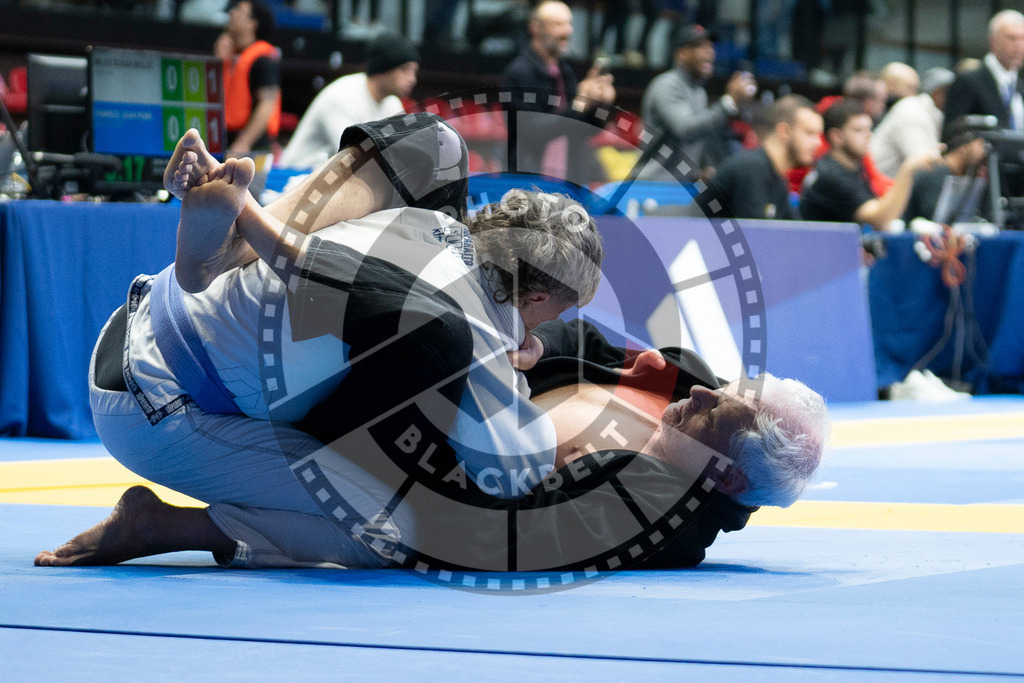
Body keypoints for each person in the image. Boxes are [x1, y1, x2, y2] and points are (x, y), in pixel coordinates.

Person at [33, 126, 829, 572]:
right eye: (720, 390)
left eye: (717, 404)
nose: (701, 392)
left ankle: (233, 241)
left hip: (157, 312)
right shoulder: (462, 343)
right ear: (542, 301)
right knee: (399, 524)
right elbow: (497, 498)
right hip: (153, 401)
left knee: (432, 149)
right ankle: (167, 525)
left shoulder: (441, 231)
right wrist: (242, 215)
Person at [500, 0, 616, 183]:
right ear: (535, 27)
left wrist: (601, 104)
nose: (567, 31)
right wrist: (579, 104)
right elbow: (531, 131)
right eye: (558, 24)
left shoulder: (566, 73)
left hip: (570, 180)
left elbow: (588, 130)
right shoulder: (519, 73)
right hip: (530, 180)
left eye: (569, 23)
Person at [278, 34, 419, 169]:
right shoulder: (343, 96)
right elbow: (354, 158)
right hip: (294, 178)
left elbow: (399, 155)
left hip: (331, 181)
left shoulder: (392, 103)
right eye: (404, 70)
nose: (412, 79)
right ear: (383, 67)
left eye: (414, 72)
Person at [640, 23, 757, 180]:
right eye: (700, 46)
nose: (710, 52)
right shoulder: (667, 84)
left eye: (710, 46)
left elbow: (700, 138)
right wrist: (729, 101)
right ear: (681, 54)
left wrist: (701, 170)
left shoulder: (698, 91)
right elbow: (686, 129)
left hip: (681, 186)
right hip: (654, 184)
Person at [800, 99, 941, 229]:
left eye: (869, 129)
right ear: (836, 136)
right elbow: (879, 218)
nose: (868, 136)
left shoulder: (853, 167)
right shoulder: (831, 174)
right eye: (858, 130)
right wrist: (908, 169)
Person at [701, 95, 823, 220]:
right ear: (784, 131)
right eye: (809, 133)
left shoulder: (778, 180)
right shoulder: (752, 167)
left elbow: (795, 232)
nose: (818, 143)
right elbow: (755, 235)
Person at [944, 9, 1024, 135]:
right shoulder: (969, 81)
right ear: (993, 41)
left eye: (1023, 38)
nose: (1019, 45)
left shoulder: (1019, 85)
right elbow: (952, 133)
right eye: (1012, 38)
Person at [219, 0, 282, 157]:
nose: (232, 13)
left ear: (252, 23)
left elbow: (267, 103)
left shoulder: (263, 59)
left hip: (252, 149)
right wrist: (217, 63)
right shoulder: (230, 56)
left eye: (239, 10)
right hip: (227, 140)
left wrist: (244, 142)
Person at [902, 117, 990, 224]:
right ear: (964, 147)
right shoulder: (936, 172)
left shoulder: (961, 175)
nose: (983, 151)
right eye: (980, 144)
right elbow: (931, 216)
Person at [871, 67, 956, 178]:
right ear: (938, 93)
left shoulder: (926, 112)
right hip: (879, 190)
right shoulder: (912, 110)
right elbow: (926, 167)